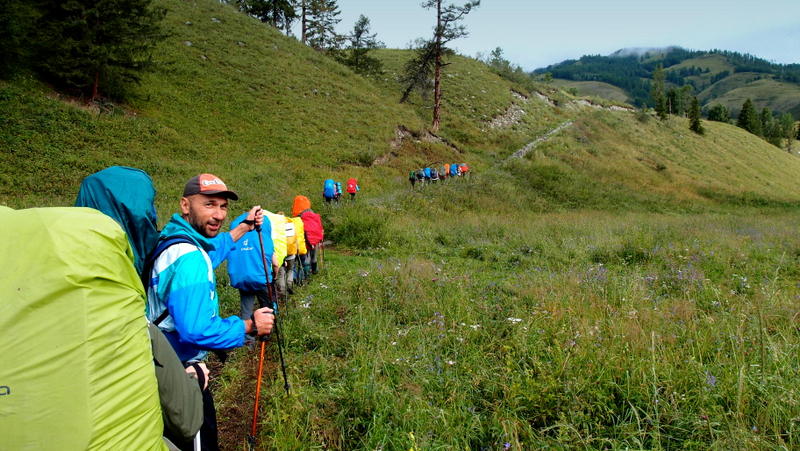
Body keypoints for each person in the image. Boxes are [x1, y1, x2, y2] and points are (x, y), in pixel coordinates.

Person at [145, 173, 275, 451]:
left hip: (159, 367)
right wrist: (249, 326)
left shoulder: (174, 239)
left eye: (223, 206)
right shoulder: (190, 257)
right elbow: (196, 330)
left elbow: (210, 254)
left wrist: (244, 227)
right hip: (183, 375)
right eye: (209, 204)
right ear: (185, 205)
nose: (219, 215)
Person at [292, 195, 324, 274]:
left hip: (306, 240)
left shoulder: (299, 218)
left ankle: (306, 274)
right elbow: (320, 227)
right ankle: (314, 270)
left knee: (306, 256)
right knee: (314, 255)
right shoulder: (314, 215)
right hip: (315, 239)